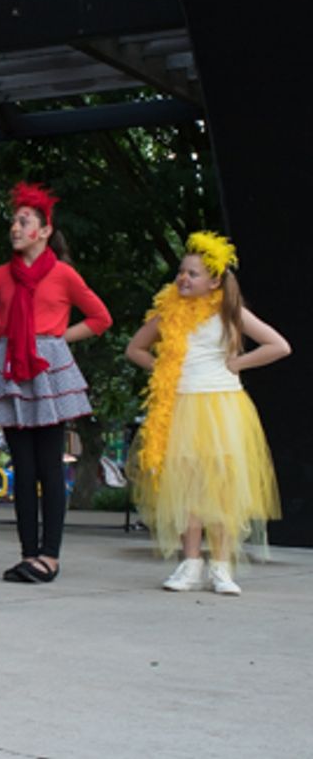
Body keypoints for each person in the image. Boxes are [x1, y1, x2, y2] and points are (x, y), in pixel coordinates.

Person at [125, 231, 289, 595]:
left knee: (221, 489)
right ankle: (190, 563)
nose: (184, 278)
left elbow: (279, 345)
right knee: (188, 488)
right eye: (181, 272)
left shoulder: (228, 311)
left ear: (214, 280)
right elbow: (134, 349)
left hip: (221, 407)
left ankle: (221, 565)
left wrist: (238, 363)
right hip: (182, 406)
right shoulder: (168, 313)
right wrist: (163, 368)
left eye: (193, 274)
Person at [0, 183, 111, 583]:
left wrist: (54, 340)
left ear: (44, 231)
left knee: (49, 466)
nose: (14, 226)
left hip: (48, 371)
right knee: (23, 469)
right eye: (13, 220)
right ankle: (30, 554)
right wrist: (11, 343)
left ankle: (51, 557)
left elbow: (100, 318)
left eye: (24, 220)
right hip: (14, 371)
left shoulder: (63, 275)